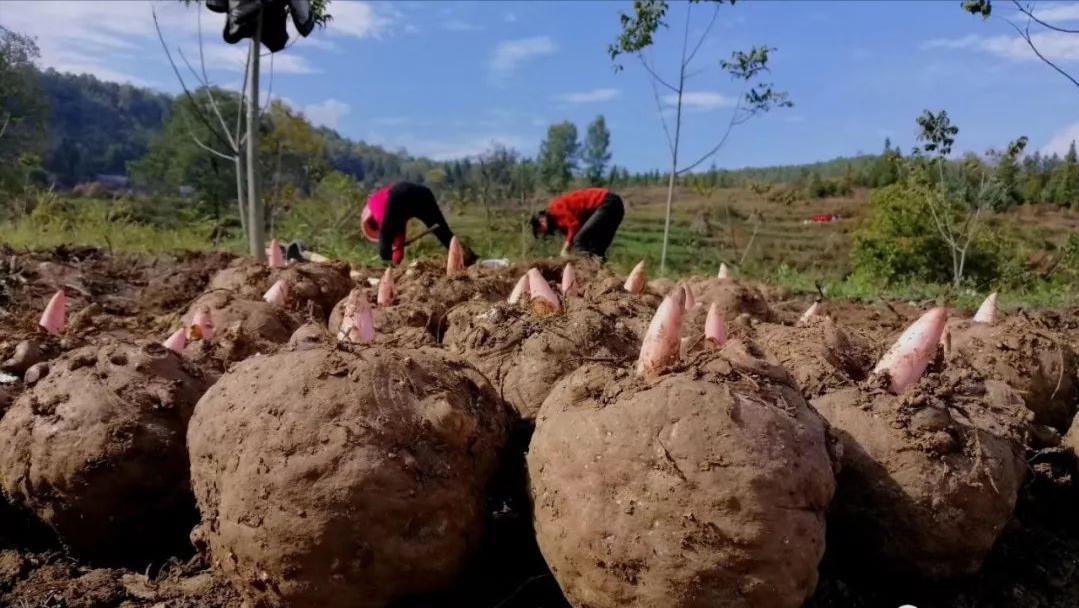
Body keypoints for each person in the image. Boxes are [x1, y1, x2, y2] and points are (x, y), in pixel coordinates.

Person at [361, 181, 474, 266]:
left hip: (403, 194)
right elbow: (398, 242)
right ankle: (469, 258)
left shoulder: (375, 204)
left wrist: (387, 259)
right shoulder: (395, 215)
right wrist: (397, 260)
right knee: (443, 232)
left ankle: (386, 268)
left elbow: (386, 233)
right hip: (423, 193)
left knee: (386, 238)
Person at [530, 187, 624, 259]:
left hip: (606, 202)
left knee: (579, 240)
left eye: (540, 229)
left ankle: (586, 272)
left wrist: (565, 249)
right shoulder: (559, 225)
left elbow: (574, 226)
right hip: (615, 206)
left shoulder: (555, 209)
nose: (543, 232)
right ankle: (599, 276)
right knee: (596, 249)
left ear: (542, 220)